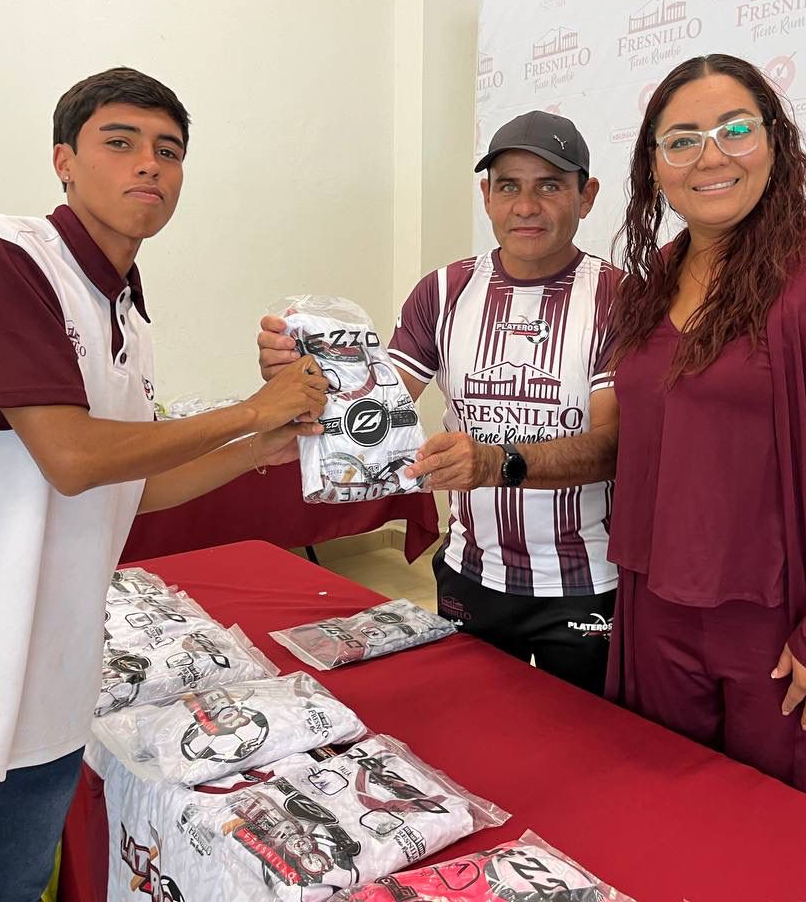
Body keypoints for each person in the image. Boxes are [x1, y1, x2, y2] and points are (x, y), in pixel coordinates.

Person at [0, 67, 328, 900]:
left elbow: (128, 488)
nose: (149, 166)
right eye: (119, 143)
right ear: (64, 160)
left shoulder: (128, 313)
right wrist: (247, 408)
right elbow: (73, 456)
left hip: (47, 709)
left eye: (169, 151)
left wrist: (260, 446)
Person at [596, 53, 806, 836]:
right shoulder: (653, 280)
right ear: (655, 167)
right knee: (672, 825)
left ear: (775, 142)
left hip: (787, 628)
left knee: (791, 841)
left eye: (734, 129)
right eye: (681, 140)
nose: (710, 155)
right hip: (656, 612)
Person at [258, 111, 622, 695]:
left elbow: (611, 447)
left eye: (549, 185)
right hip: (470, 572)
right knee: (470, 734)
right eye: (508, 185)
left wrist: (494, 463)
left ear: (587, 196)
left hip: (585, 584)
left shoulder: (619, 298)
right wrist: (299, 379)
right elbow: (374, 410)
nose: (525, 206)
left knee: (583, 754)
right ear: (486, 196)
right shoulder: (445, 290)